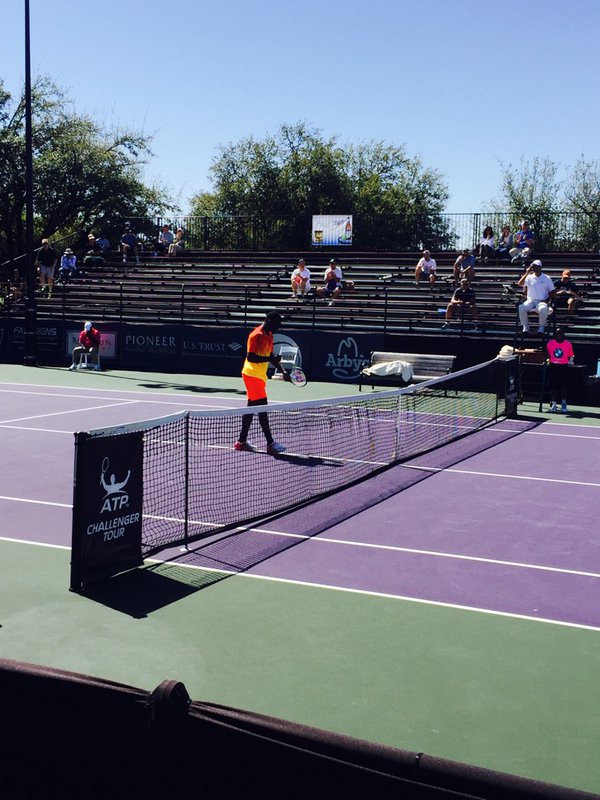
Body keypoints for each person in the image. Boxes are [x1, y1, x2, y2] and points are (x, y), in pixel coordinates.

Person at [234, 311, 290, 454]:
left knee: (251, 409)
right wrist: (270, 360)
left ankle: (241, 441)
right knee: (262, 409)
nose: (279, 327)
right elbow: (251, 358)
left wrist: (282, 371)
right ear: (270, 321)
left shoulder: (270, 335)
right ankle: (270, 444)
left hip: (260, 376)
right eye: (277, 324)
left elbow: (271, 357)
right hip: (251, 375)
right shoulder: (256, 335)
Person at [517, 260, 556, 333]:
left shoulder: (547, 278)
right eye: (532, 266)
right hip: (530, 301)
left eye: (535, 266)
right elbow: (520, 284)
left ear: (540, 267)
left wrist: (547, 300)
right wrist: (527, 272)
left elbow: (552, 291)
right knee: (521, 308)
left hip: (541, 301)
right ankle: (525, 326)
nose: (533, 268)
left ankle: (541, 327)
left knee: (543, 309)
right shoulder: (529, 277)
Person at [546, 326, 574, 413]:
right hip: (553, 366)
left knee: (563, 386)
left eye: (560, 333)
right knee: (553, 386)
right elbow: (548, 354)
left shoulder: (568, 344)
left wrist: (563, 361)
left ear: (563, 334)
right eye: (557, 333)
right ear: (555, 334)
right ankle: (554, 403)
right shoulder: (550, 344)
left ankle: (563, 403)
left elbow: (570, 355)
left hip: (563, 367)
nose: (559, 335)